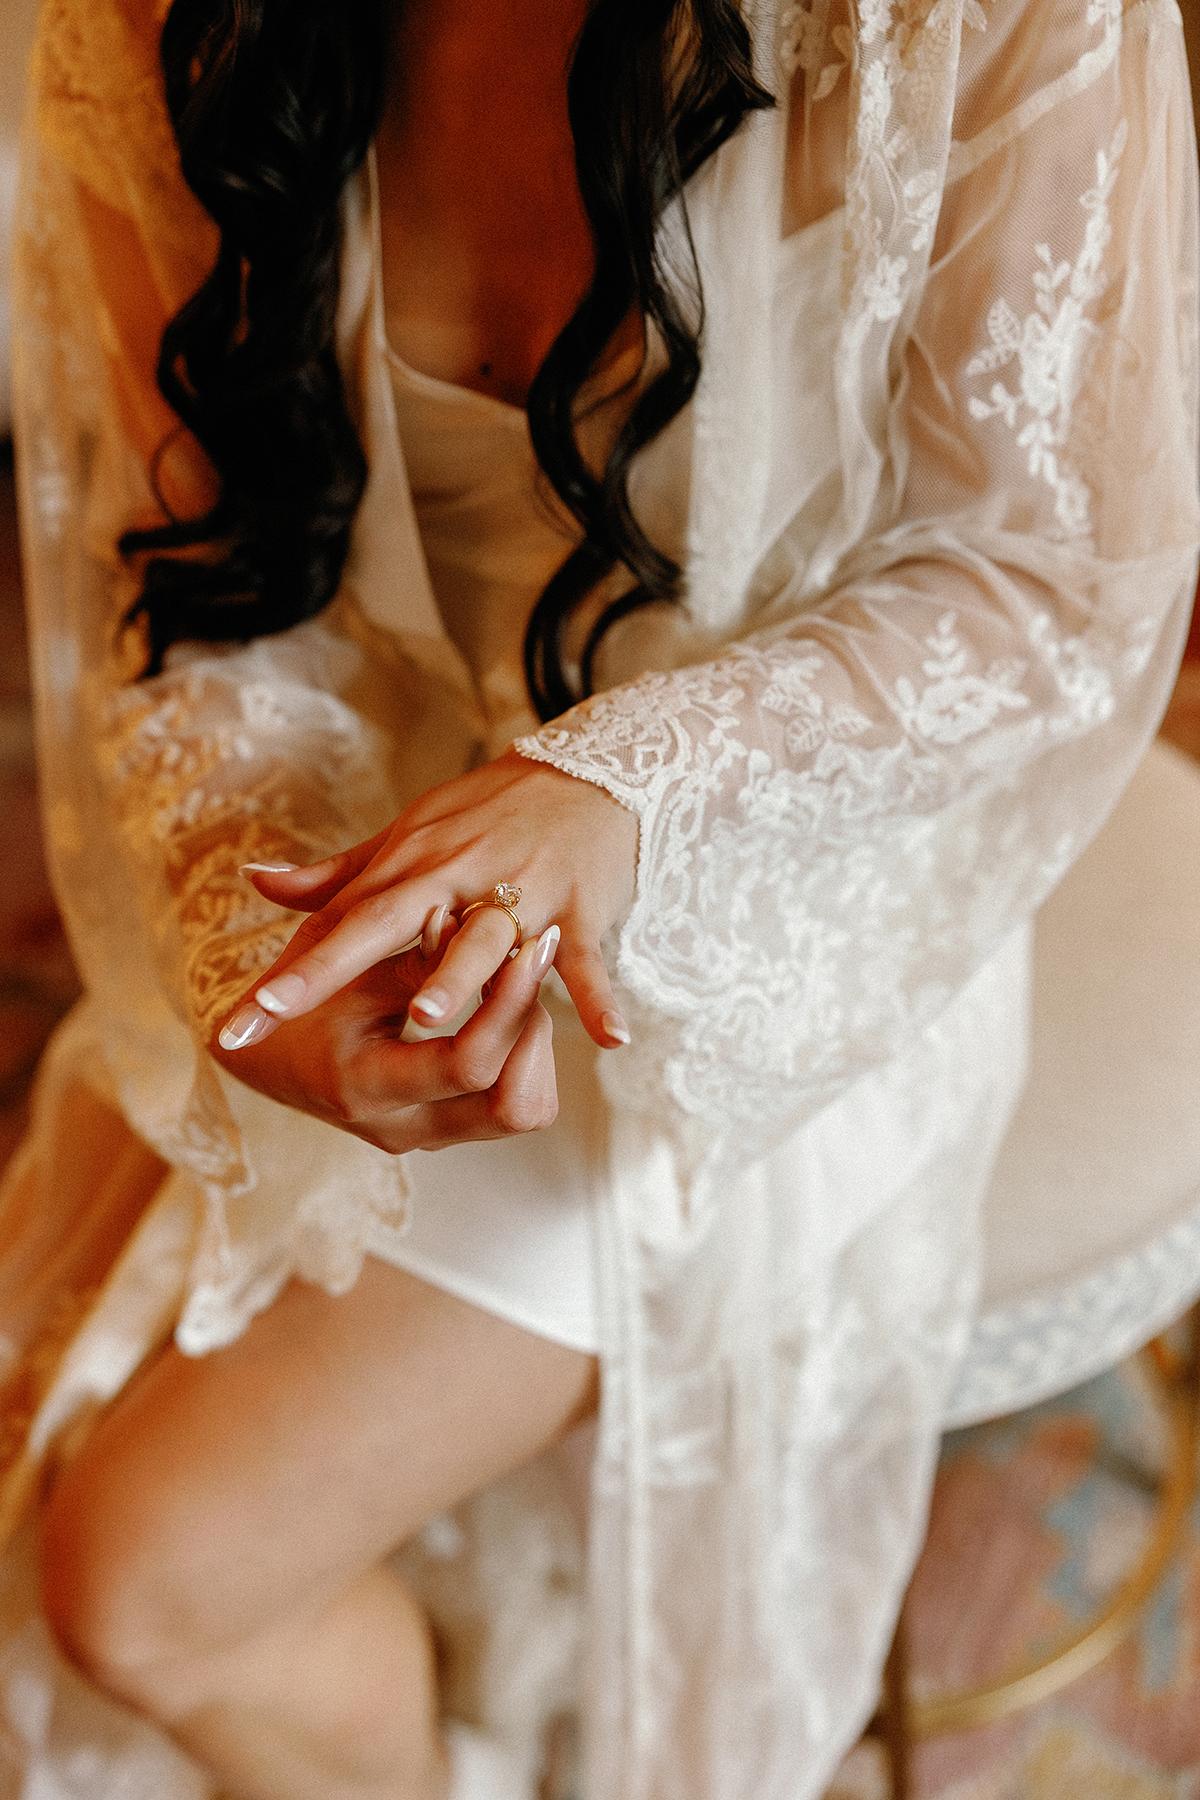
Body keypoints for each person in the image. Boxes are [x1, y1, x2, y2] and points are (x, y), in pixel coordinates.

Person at [2, 0, 1199, 1796]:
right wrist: (263, 947)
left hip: (811, 862)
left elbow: (1046, 579)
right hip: (380, 831)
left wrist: (630, 793)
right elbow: (182, 582)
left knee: (142, 1584)